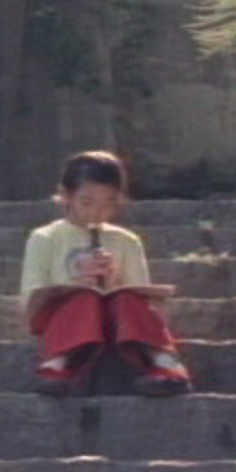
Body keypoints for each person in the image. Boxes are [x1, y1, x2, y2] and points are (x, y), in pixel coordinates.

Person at [19, 150, 193, 397]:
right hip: (66, 321)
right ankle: (56, 365)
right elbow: (31, 299)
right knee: (83, 298)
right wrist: (75, 282)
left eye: (108, 204)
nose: (97, 212)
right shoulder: (46, 237)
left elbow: (144, 298)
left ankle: (166, 363)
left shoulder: (126, 240)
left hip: (116, 325)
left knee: (127, 299)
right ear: (65, 195)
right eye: (87, 202)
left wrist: (113, 281)